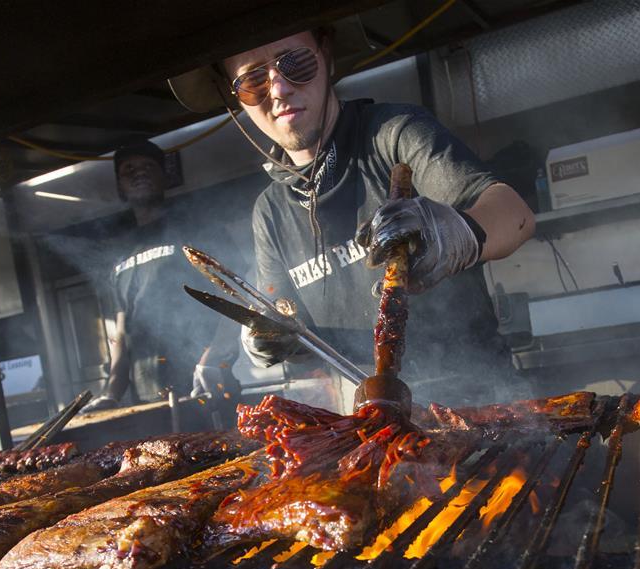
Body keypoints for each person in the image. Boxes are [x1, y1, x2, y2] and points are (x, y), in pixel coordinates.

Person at [169, 26, 535, 406]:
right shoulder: (270, 211)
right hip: (368, 421)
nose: (278, 90)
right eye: (253, 80)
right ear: (236, 98)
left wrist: (455, 233)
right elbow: (297, 329)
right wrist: (272, 338)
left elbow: (516, 216)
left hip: (480, 406)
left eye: (294, 62)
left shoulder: (395, 135)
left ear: (326, 56)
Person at [81, 140, 240, 416]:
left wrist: (213, 357)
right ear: (119, 186)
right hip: (147, 402)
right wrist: (112, 392)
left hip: (205, 387)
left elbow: (236, 295)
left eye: (147, 166)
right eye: (129, 169)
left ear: (164, 177)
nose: (138, 173)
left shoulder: (195, 227)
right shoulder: (119, 252)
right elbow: (120, 331)